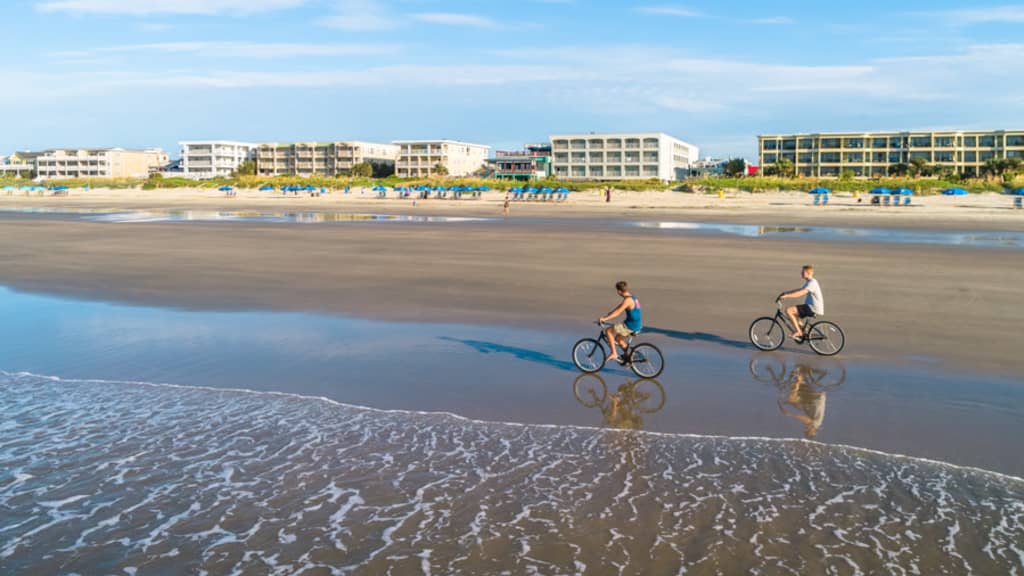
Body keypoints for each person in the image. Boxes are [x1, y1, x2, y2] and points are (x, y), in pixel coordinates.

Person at [598, 281, 643, 364]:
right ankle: (629, 357)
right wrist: (608, 315)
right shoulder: (632, 297)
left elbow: (618, 312)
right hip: (637, 324)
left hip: (630, 325)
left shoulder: (627, 300)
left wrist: (605, 319)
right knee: (618, 339)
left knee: (608, 331)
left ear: (619, 291)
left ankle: (614, 353)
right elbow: (619, 307)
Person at [777, 265, 824, 341]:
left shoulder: (812, 283)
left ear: (808, 273)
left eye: (803, 272)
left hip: (812, 307)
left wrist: (787, 296)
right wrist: (785, 292)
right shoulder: (809, 282)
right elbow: (799, 289)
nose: (801, 273)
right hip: (810, 306)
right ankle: (805, 331)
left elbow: (800, 293)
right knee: (793, 315)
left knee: (789, 310)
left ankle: (799, 332)